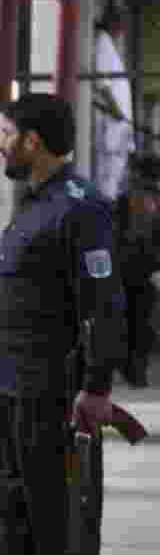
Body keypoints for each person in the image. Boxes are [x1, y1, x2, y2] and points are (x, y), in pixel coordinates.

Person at [0, 93, 127, 555]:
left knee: (59, 515)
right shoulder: (31, 204)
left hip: (52, 396)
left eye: (7, 135)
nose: (2, 147)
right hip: (9, 387)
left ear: (33, 141)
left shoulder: (80, 206)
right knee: (14, 511)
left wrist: (96, 387)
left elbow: (104, 301)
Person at [113, 152, 160, 387]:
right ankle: (132, 367)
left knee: (139, 322)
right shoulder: (124, 202)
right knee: (132, 321)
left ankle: (135, 369)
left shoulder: (143, 200)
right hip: (129, 271)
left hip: (142, 272)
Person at [93, 5, 135, 201]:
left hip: (118, 124)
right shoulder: (103, 43)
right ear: (113, 22)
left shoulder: (109, 45)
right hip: (112, 122)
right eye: (122, 21)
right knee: (107, 180)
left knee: (114, 180)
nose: (124, 27)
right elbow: (102, 83)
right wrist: (116, 110)